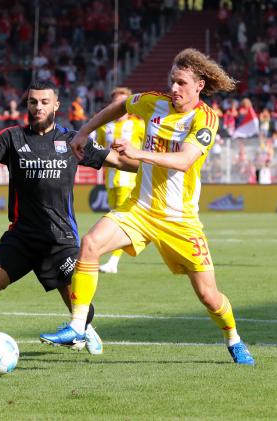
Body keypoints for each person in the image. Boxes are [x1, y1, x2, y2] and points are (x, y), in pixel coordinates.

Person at [40, 49, 256, 365]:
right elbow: (120, 106)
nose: (175, 88)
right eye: (172, 81)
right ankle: (78, 325)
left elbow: (183, 161)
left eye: (182, 83)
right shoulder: (154, 102)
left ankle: (234, 339)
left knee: (209, 296)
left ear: (199, 85)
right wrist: (85, 132)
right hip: (139, 209)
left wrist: (138, 153)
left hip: (180, 220)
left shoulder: (205, 118)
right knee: (89, 244)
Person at [0, 80, 139, 363]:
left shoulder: (74, 139)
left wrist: (146, 156)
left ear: (56, 105)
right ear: (27, 105)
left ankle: (86, 328)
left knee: (75, 298)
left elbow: (123, 164)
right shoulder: (11, 138)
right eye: (33, 102)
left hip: (60, 238)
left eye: (44, 102)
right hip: (22, 235)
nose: (38, 107)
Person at [90, 87, 146, 274]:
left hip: (130, 178)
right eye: (116, 103)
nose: (120, 107)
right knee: (115, 215)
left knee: (121, 219)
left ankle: (113, 261)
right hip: (111, 178)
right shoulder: (105, 127)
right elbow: (98, 147)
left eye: (123, 102)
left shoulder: (138, 125)